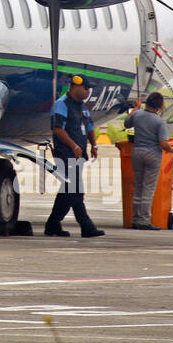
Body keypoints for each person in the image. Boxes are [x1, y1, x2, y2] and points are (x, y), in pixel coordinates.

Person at [44, 75, 104, 238]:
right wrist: (74, 146)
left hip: (78, 155)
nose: (88, 91)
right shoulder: (61, 105)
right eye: (86, 88)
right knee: (75, 189)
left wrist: (94, 145)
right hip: (66, 154)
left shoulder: (82, 107)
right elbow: (58, 129)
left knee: (67, 190)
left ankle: (52, 224)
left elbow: (90, 127)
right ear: (75, 87)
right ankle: (86, 225)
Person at [127, 92, 173, 230]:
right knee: (148, 189)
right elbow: (163, 143)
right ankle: (144, 221)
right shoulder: (159, 121)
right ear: (159, 106)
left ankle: (135, 219)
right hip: (153, 155)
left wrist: (135, 108)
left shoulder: (137, 115)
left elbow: (127, 123)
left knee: (138, 186)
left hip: (137, 153)